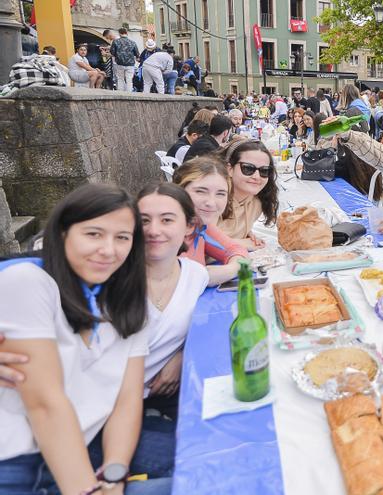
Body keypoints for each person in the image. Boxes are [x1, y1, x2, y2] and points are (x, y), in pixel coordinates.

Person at [0, 183, 173, 494]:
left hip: (84, 449)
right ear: (63, 233)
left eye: (122, 238)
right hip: (14, 465)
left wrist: (115, 476)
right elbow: (45, 405)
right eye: (94, 234)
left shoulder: (128, 304)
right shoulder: (27, 281)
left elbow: (126, 399)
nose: (109, 250)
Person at [136, 183, 209, 417]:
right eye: (144, 221)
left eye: (166, 220)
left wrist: (181, 354)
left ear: (189, 226)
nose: (153, 230)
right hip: (105, 408)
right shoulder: (113, 279)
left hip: (163, 397)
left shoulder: (196, 274)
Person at [172, 156, 249, 285]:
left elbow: (236, 250)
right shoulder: (163, 234)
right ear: (178, 191)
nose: (211, 203)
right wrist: (203, 277)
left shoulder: (200, 226)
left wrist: (228, 270)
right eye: (201, 191)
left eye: (220, 194)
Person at [217, 139, 279, 250]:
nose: (257, 176)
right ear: (229, 169)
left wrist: (245, 232)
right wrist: (239, 243)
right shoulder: (212, 200)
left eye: (264, 171)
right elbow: (197, 245)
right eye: (248, 168)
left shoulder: (257, 203)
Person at [110, 27, 139, 92]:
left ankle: (121, 94)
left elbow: (112, 52)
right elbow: (137, 54)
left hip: (119, 63)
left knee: (120, 79)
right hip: (130, 64)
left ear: (119, 33)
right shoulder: (133, 42)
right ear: (126, 33)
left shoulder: (115, 41)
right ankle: (129, 94)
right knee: (129, 80)